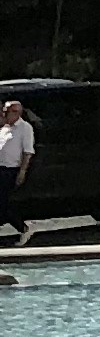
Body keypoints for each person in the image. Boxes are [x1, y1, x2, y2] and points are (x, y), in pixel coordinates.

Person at [0, 97, 32, 240]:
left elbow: (28, 151)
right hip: (1, 167)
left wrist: (22, 172)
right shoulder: (5, 127)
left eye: (7, 111)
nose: (4, 114)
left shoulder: (25, 128)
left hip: (11, 169)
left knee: (3, 202)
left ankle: (23, 228)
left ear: (17, 112)